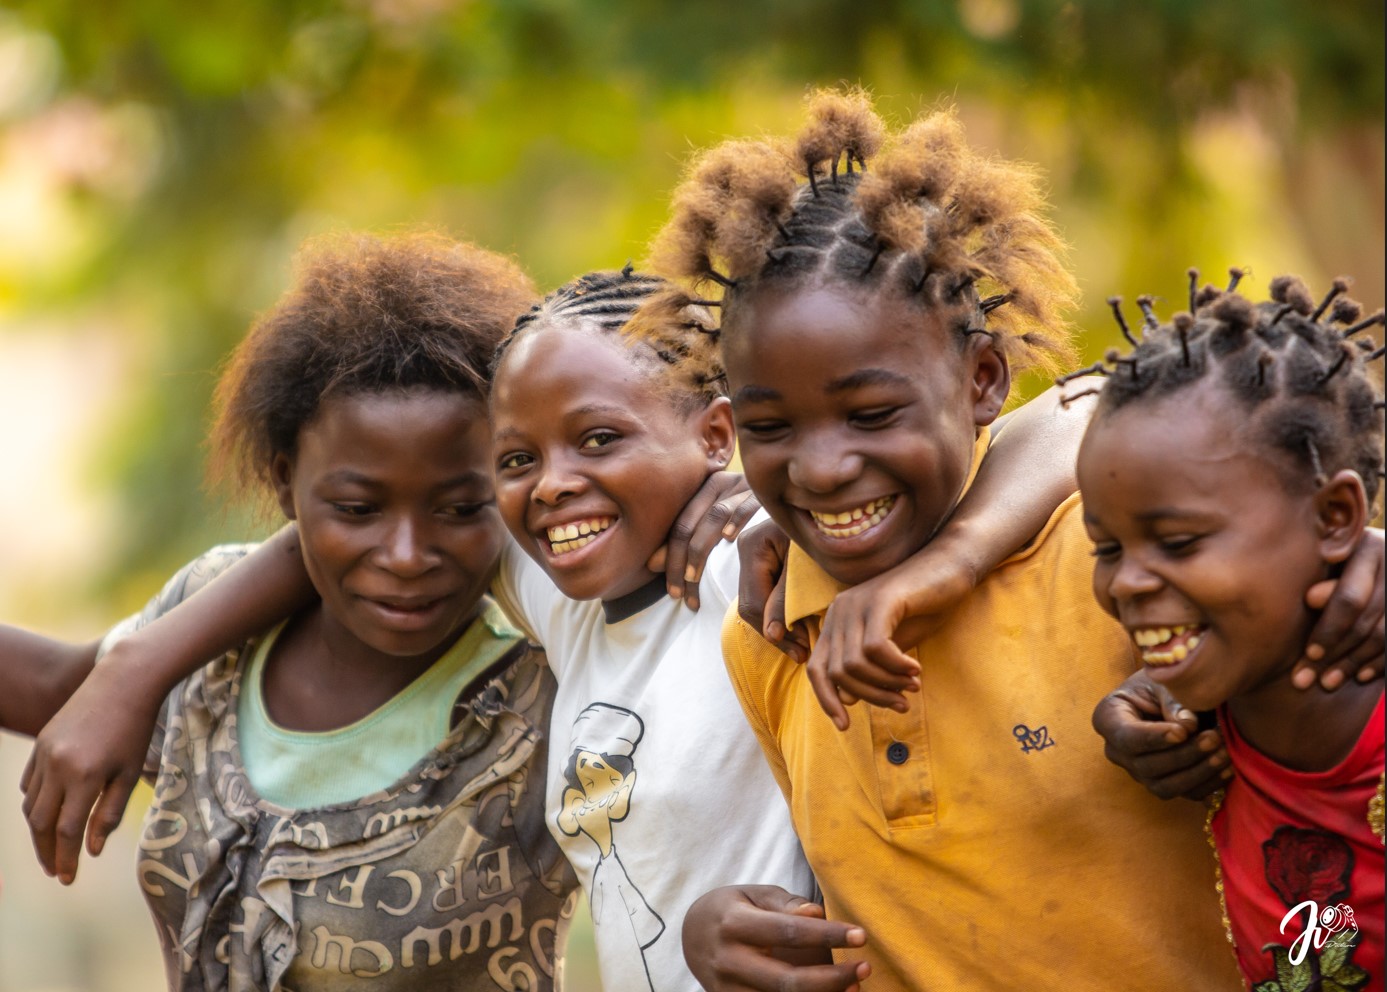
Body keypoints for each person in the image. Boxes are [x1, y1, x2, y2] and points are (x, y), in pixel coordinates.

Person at [23, 259, 1092, 990]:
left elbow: (1083, 407)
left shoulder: (760, 564)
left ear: (717, 433)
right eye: (517, 461)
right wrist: (134, 664)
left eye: (598, 438)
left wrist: (765, 502)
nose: (551, 486)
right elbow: (364, 516)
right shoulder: (561, 605)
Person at [645, 87, 1249, 990]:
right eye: (772, 429)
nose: (819, 469)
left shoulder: (1105, 557)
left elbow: (1141, 392)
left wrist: (1196, 711)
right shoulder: (769, 629)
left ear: (983, 379)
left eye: (872, 413)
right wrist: (713, 931)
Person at [3, 232, 579, 991]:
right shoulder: (207, 628)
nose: (406, 553)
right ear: (285, 485)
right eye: (356, 507)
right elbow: (65, 692)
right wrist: (133, 666)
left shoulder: (547, 688)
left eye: (460, 507)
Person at [1076, 272, 1384, 989]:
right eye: (1107, 548)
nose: (1125, 583)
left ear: (1335, 517)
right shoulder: (1213, 709)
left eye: (1178, 543)